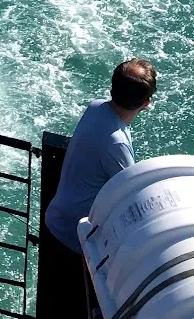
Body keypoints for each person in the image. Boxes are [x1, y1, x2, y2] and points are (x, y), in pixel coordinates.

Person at [41, 59, 157, 311]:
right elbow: (130, 195)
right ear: (146, 103)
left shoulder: (95, 108)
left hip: (56, 217)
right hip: (75, 239)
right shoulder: (117, 144)